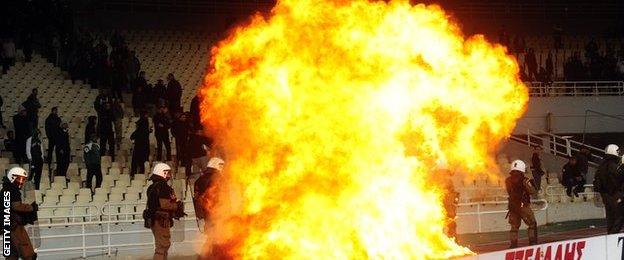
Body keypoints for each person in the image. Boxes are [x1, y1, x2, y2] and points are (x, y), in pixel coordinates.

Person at [144, 163, 185, 260]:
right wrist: (177, 206)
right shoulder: (163, 186)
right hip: (161, 220)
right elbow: (165, 205)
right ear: (163, 173)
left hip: (156, 220)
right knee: (162, 246)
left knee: (164, 245)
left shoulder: (152, 187)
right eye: (168, 173)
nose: (169, 175)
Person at [1, 167, 38, 259]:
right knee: (26, 251)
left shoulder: (6, 188)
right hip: (13, 225)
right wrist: (30, 207)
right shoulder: (12, 190)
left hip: (7, 225)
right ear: (13, 178)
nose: (22, 182)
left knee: (12, 252)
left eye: (23, 179)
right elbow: (16, 206)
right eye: (20, 179)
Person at [506, 160, 538, 248]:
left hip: (513, 207)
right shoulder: (525, 180)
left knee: (514, 227)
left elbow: (509, 192)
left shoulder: (507, 180)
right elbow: (533, 191)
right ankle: (532, 243)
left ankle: (513, 245)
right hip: (524, 206)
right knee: (532, 224)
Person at [593, 144, 624, 234]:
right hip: (614, 194)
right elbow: (618, 179)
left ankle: (610, 235)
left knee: (610, 218)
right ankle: (613, 236)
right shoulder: (613, 166)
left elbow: (597, 183)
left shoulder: (601, 166)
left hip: (606, 195)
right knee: (619, 217)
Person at [131, 111, 151, 177]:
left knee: (135, 161)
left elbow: (132, 136)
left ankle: (133, 174)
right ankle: (140, 173)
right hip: (144, 147)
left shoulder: (139, 130)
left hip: (138, 147)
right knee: (142, 162)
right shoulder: (145, 129)